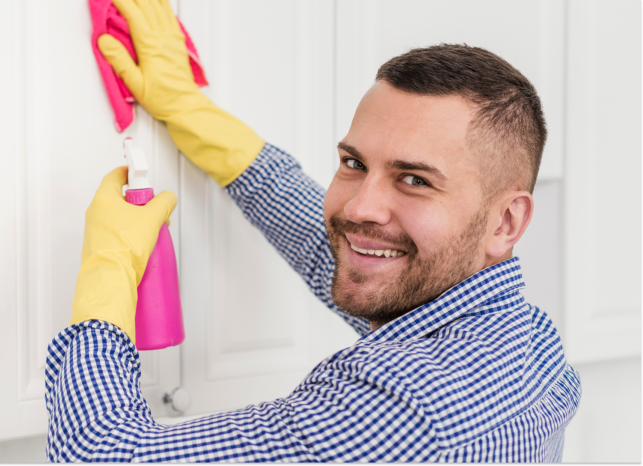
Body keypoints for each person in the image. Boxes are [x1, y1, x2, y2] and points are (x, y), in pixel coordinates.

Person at [45, 0, 580, 461]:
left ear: (507, 221)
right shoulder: (528, 342)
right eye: (352, 163)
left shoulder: (404, 413)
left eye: (414, 179)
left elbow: (101, 455)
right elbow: (333, 247)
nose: (361, 205)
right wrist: (191, 110)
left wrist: (107, 271)